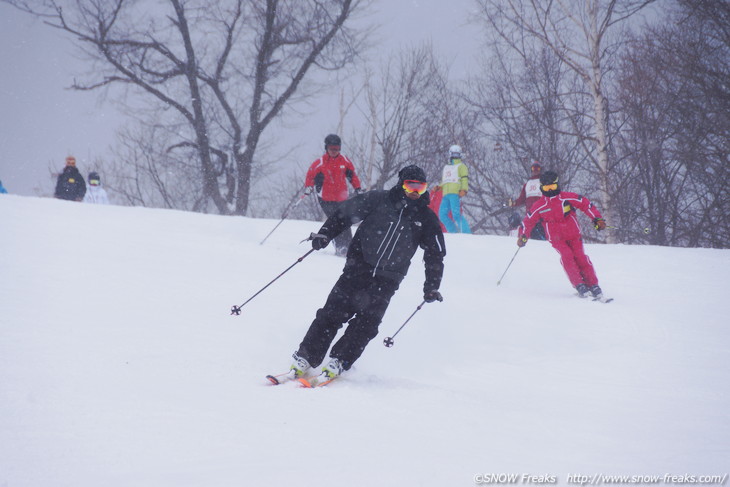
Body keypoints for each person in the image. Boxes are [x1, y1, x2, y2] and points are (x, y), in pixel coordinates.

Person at [282, 165, 446, 386]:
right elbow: (344, 214)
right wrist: (325, 234)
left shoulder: (425, 218)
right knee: (331, 314)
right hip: (358, 268)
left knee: (367, 324)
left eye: (420, 187)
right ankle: (305, 357)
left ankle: (340, 361)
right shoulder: (379, 200)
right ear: (401, 184)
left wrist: (432, 287)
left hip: (388, 279)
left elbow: (435, 254)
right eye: (410, 186)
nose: (415, 192)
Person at [517, 170, 608, 299]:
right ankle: (579, 284)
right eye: (546, 188)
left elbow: (586, 204)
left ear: (557, 185)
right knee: (567, 256)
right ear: (542, 188)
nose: (549, 191)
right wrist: (523, 236)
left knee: (580, 257)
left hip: (573, 234)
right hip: (556, 238)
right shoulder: (540, 205)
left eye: (552, 187)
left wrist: (597, 219)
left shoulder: (566, 197)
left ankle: (593, 284)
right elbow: (528, 221)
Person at [304, 134, 364, 256]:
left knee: (345, 221)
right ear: (326, 148)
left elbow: (352, 176)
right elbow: (310, 175)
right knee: (334, 221)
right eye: (331, 149)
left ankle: (348, 246)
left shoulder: (345, 161)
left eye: (336, 149)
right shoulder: (320, 163)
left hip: (342, 198)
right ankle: (340, 246)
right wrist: (309, 187)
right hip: (326, 199)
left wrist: (357, 188)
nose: (334, 151)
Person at [435, 144, 471, 233]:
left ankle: (466, 232)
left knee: (456, 214)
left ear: (460, 155)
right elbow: (446, 180)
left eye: (457, 154)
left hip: (455, 193)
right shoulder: (446, 167)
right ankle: (453, 231)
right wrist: (439, 187)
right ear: (450, 154)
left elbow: (464, 179)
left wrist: (464, 189)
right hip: (446, 194)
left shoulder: (461, 166)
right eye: (453, 154)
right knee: (442, 215)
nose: (455, 157)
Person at [509, 161, 545, 240]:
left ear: (540, 170)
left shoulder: (544, 182)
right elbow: (522, 199)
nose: (535, 170)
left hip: (541, 216)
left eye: (537, 168)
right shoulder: (527, 184)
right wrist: (513, 203)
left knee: (542, 241)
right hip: (530, 215)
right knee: (531, 239)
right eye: (533, 168)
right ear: (531, 170)